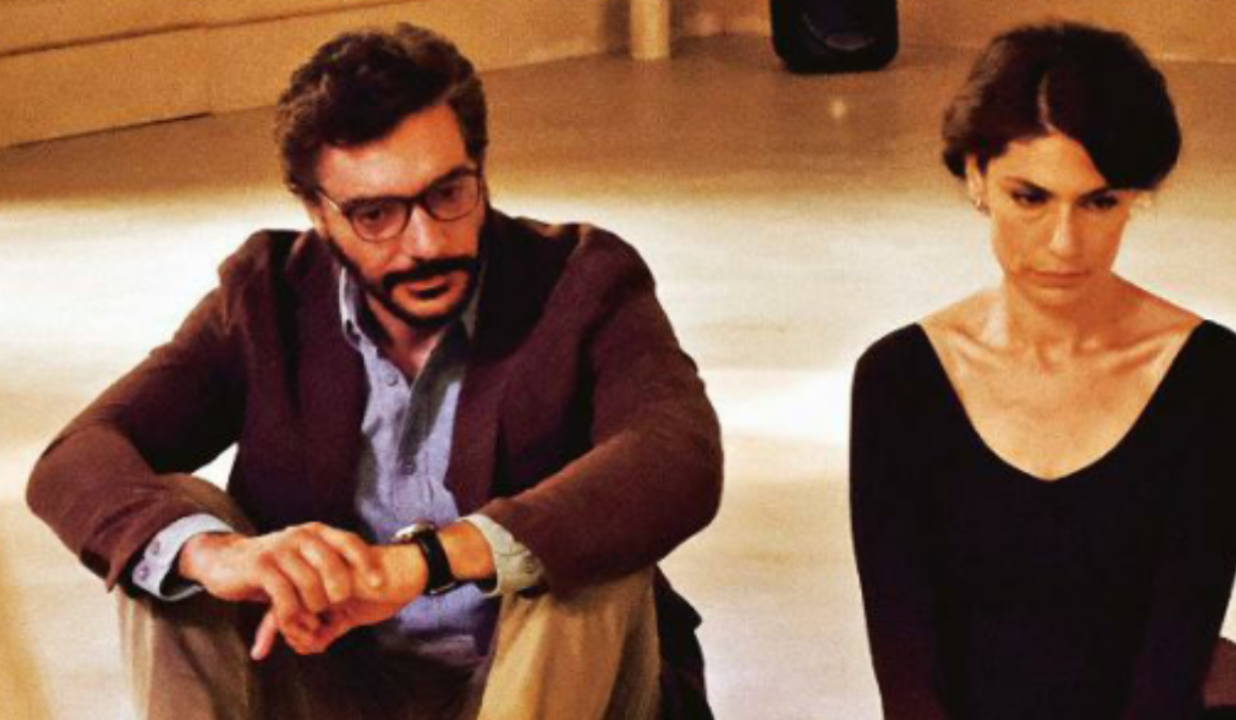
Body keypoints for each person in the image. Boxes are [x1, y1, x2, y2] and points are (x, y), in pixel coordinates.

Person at [27, 23, 722, 720]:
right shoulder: (266, 295)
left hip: (541, 687)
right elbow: (76, 457)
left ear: (481, 168)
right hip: (330, 689)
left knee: (581, 544)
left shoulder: (582, 280)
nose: (425, 243)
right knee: (176, 525)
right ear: (317, 212)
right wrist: (215, 556)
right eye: (376, 214)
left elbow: (677, 451)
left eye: (448, 194)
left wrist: (427, 561)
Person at [850, 21, 1236, 719]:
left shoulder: (1213, 378)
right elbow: (908, 680)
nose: (1065, 244)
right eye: (1030, 198)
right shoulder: (899, 382)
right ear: (977, 178)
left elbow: (1169, 672)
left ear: (1135, 197)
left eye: (1099, 202)